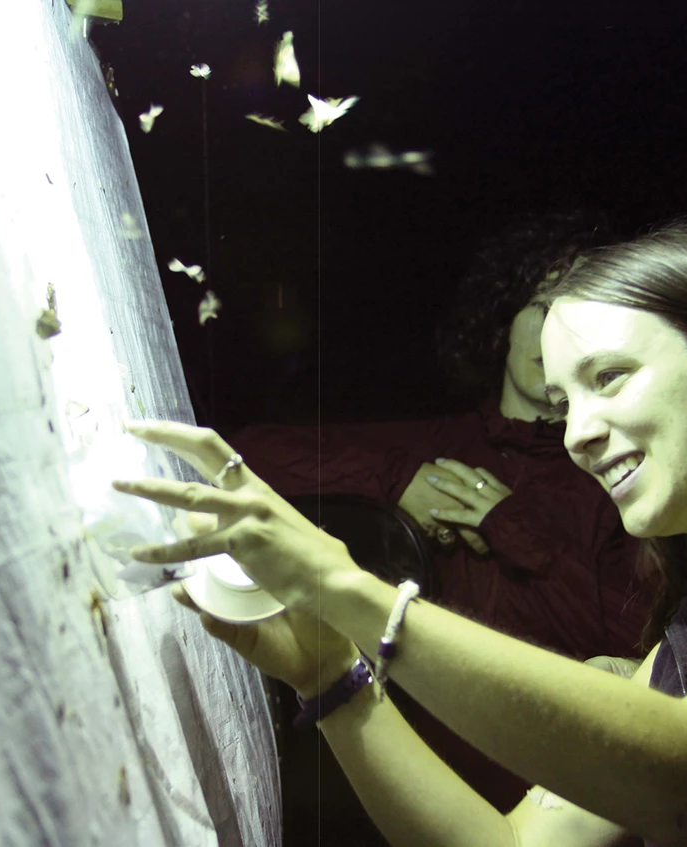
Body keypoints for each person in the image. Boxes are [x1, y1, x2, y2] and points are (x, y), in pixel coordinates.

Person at [114, 220, 687, 846]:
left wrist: (354, 591)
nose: (577, 431)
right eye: (565, 400)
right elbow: (514, 846)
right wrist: (335, 679)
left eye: (610, 379)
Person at [230, 214, 652, 810]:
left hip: (562, 796)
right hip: (414, 781)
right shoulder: (437, 443)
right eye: (540, 305)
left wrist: (510, 527)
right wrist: (396, 480)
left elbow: (639, 652)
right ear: (504, 320)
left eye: (580, 310)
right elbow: (250, 453)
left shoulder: (614, 470)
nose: (556, 327)